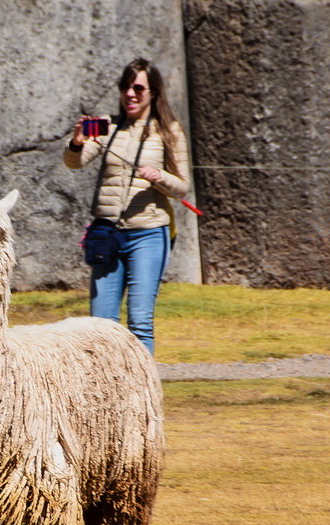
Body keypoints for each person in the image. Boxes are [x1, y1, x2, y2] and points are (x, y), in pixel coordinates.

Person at [63, 57, 192, 354]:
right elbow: (74, 163)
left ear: (154, 93)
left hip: (148, 232)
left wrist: (159, 176)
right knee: (100, 324)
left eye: (138, 88)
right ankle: (105, 395)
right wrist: (77, 142)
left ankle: (143, 396)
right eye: (125, 87)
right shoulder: (106, 126)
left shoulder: (169, 131)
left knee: (140, 323)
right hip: (106, 234)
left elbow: (183, 187)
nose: (130, 94)